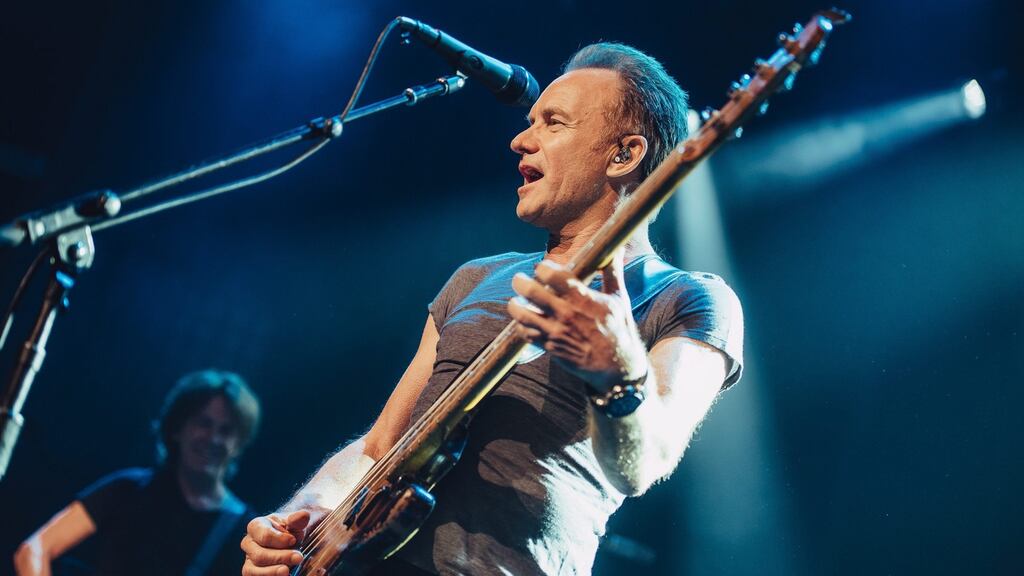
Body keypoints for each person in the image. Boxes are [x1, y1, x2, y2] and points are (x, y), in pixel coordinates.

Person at [241, 42, 744, 576]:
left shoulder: (690, 298)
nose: (521, 140)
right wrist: (300, 516)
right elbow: (380, 445)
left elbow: (645, 464)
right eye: (531, 121)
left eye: (553, 123)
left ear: (623, 154)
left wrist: (618, 371)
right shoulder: (476, 277)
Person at [14, 369, 261, 576]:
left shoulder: (243, 527)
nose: (213, 439)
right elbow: (34, 550)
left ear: (239, 445)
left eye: (226, 430)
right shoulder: (128, 488)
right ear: (177, 429)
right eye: (203, 423)